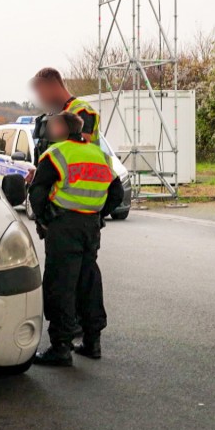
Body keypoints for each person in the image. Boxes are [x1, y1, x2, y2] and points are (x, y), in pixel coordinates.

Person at [30, 111, 124, 367]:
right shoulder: (99, 154)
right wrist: (98, 213)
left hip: (63, 226)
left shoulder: (56, 154)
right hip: (90, 227)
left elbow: (37, 192)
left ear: (62, 129)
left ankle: (61, 347)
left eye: (53, 127)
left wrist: (44, 219)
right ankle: (92, 342)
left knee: (60, 283)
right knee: (88, 281)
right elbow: (116, 193)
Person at [30, 68, 102, 167]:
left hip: (82, 175)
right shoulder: (53, 114)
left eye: (42, 93)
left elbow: (78, 153)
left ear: (54, 86)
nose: (41, 98)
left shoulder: (81, 111)